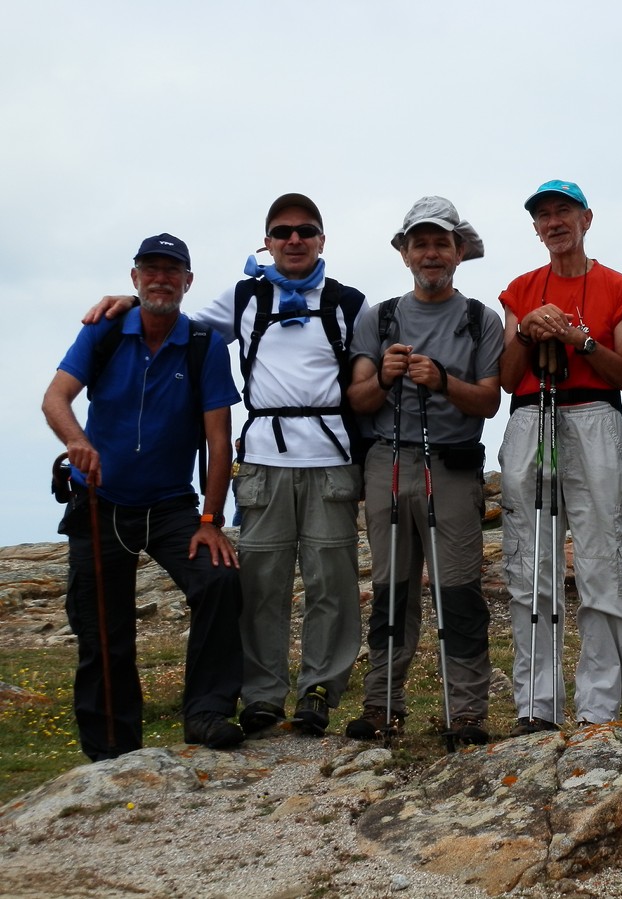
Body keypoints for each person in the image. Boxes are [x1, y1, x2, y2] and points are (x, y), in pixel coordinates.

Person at [87, 194, 368, 738]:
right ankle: (262, 695)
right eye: (282, 231)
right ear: (267, 242)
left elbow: (367, 369)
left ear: (321, 240)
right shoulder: (245, 297)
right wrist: (135, 301)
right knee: (259, 585)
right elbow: (179, 328)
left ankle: (318, 691)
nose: (293, 240)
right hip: (262, 459)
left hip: (331, 458)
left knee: (331, 584)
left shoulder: (349, 303)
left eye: (305, 230)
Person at [43, 233, 244, 760]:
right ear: (135, 278)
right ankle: (111, 753)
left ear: (188, 281)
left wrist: (210, 520)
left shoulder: (203, 345)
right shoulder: (104, 331)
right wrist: (77, 441)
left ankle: (207, 713)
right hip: (99, 501)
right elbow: (56, 398)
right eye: (150, 269)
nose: (161, 279)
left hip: (171, 505)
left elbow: (218, 440)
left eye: (171, 270)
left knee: (219, 581)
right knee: (101, 627)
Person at [344, 197, 502, 745]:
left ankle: (468, 712)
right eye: (420, 244)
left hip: (452, 465)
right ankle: (382, 705)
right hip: (387, 460)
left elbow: (489, 402)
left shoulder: (481, 319)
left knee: (458, 591)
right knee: (391, 589)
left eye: (441, 244)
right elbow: (359, 399)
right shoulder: (379, 318)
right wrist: (385, 377)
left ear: (459, 252)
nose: (430, 254)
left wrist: (441, 381)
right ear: (405, 253)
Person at [498, 180, 622, 735]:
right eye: (544, 215)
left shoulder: (619, 286)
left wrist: (579, 340)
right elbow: (506, 378)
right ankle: (536, 705)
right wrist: (526, 332)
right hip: (530, 415)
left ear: (587, 219)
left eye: (564, 211)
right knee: (528, 561)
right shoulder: (519, 290)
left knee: (604, 559)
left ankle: (597, 707)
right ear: (536, 228)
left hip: (595, 415)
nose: (554, 222)